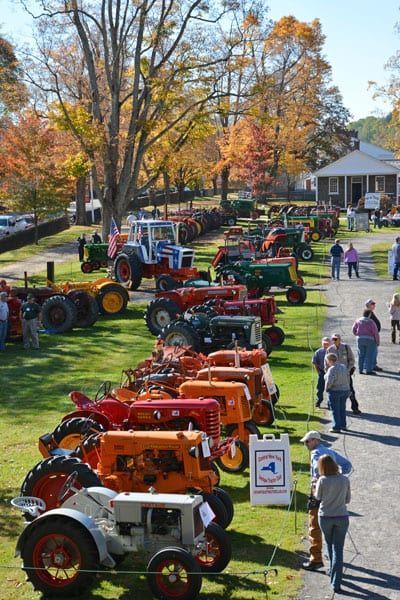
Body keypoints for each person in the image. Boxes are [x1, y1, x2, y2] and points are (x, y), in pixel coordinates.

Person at [300, 431, 352, 571]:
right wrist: (339, 478)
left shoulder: (316, 454)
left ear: (315, 440)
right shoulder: (330, 451)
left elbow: (318, 473)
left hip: (319, 492)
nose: (306, 444)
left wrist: (318, 482)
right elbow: (347, 465)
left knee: (314, 526)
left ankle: (316, 558)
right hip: (334, 492)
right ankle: (333, 556)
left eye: (307, 441)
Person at [315, 454, 351, 594]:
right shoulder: (344, 479)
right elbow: (347, 500)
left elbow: (318, 497)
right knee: (338, 549)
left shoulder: (322, 480)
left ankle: (332, 572)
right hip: (341, 516)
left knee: (329, 545)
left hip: (325, 517)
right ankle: (336, 580)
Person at [325, 334, 361, 415]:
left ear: (340, 339)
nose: (334, 340)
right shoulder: (330, 349)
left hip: (346, 374)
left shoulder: (346, 347)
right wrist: (327, 372)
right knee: (331, 388)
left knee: (350, 390)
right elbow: (326, 362)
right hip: (333, 374)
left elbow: (352, 360)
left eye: (336, 339)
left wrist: (347, 370)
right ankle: (331, 405)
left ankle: (355, 408)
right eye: (332, 339)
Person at [324, 353, 350, 432]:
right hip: (345, 390)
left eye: (327, 361)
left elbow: (329, 381)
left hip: (335, 391)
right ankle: (343, 425)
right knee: (342, 408)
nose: (327, 363)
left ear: (330, 360)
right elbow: (348, 377)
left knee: (335, 410)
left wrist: (326, 389)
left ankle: (336, 427)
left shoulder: (332, 369)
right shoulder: (343, 366)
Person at [352, 309, 380, 375]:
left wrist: (357, 334)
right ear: (369, 314)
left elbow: (353, 329)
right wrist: (377, 341)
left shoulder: (358, 320)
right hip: (370, 340)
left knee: (361, 354)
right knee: (369, 355)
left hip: (360, 339)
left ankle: (360, 369)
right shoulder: (371, 322)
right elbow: (375, 332)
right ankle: (369, 370)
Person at [312, 337, 331, 407]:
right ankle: (319, 400)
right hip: (322, 372)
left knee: (330, 388)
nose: (325, 345)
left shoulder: (333, 351)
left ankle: (330, 403)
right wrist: (318, 372)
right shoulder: (318, 352)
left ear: (330, 344)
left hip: (331, 372)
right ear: (322, 343)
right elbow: (315, 362)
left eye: (327, 343)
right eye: (324, 343)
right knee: (320, 388)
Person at [365, 299, 382, 371]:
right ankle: (371, 365)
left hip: (373, 335)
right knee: (372, 351)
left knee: (373, 351)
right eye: (372, 304)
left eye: (374, 304)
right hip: (371, 336)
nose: (374, 305)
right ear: (368, 305)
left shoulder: (371, 312)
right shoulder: (367, 313)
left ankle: (371, 364)